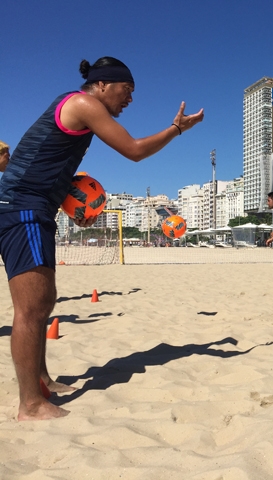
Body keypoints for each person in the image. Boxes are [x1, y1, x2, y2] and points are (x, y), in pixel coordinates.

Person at [0, 56, 204, 421]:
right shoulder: (83, 104)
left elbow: (49, 160)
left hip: (33, 207)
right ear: (103, 85)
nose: (129, 100)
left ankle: (42, 380)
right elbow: (135, 151)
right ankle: (30, 405)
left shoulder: (77, 107)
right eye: (126, 91)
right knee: (32, 307)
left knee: (43, 302)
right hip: (23, 208)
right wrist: (176, 130)